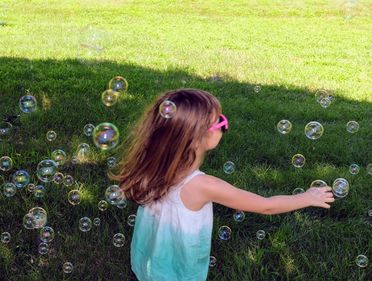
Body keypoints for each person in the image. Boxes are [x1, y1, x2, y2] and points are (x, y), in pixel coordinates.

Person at [109, 89, 335, 281]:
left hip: (150, 261)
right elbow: (265, 206)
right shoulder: (204, 185)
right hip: (178, 271)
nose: (224, 124)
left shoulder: (152, 166)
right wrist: (307, 197)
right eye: (219, 122)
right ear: (196, 139)